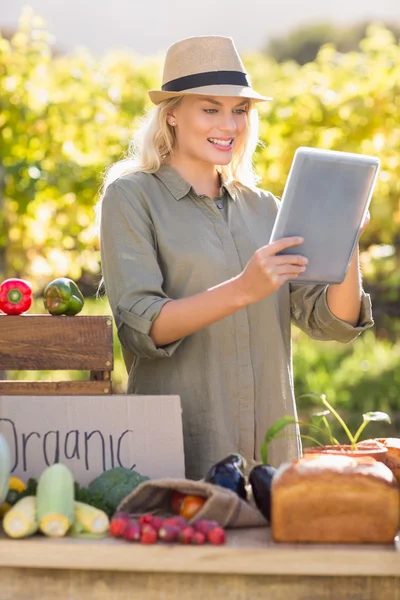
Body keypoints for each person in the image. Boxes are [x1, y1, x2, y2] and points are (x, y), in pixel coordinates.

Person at [96, 35, 374, 480]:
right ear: (172, 115)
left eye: (240, 110)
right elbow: (140, 326)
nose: (229, 124)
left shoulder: (265, 206)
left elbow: (332, 323)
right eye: (211, 109)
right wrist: (244, 289)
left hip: (272, 454)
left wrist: (348, 239)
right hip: (181, 450)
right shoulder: (131, 197)